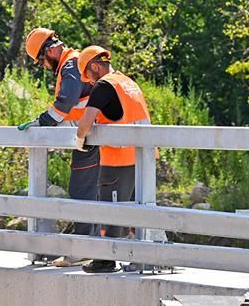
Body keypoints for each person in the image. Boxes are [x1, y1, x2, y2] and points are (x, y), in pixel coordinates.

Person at [20, 28, 99, 267]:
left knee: (81, 190)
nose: (43, 65)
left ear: (51, 50)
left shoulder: (70, 64)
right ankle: (107, 245)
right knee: (99, 191)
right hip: (92, 134)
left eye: (42, 60)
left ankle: (84, 248)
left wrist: (44, 121)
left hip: (91, 136)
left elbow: (66, 101)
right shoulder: (72, 63)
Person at [74, 45, 153, 273]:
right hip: (143, 157)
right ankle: (150, 257)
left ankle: (106, 260)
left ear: (95, 67)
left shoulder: (104, 85)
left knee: (111, 209)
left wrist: (80, 139)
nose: (88, 82)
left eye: (88, 76)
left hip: (118, 158)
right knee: (141, 209)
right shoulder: (128, 83)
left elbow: (86, 122)